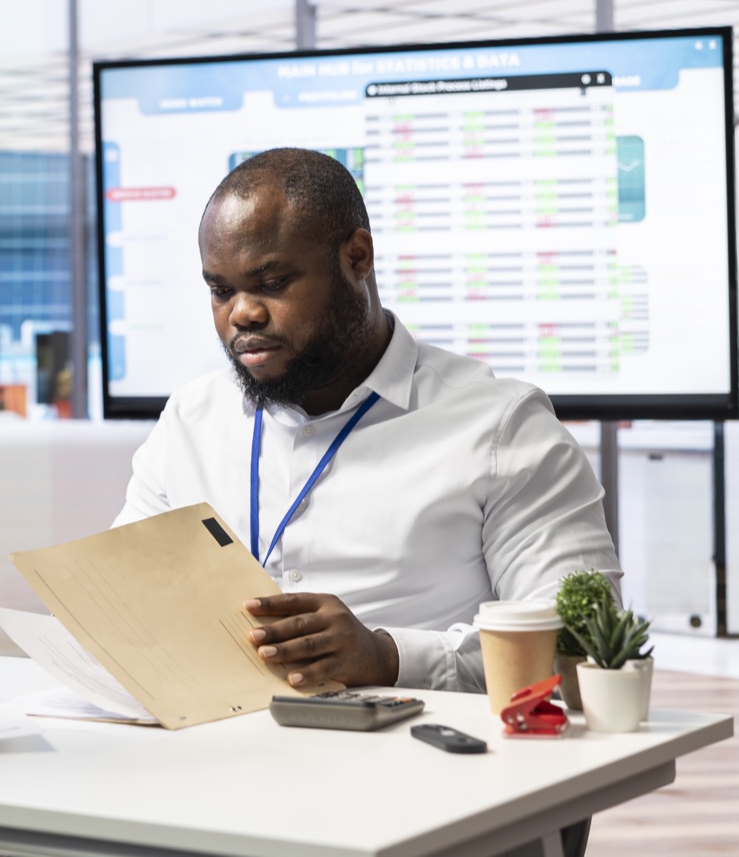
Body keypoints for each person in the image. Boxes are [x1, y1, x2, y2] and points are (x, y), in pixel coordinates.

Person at [114, 147, 622, 693]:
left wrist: (388, 656)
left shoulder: (502, 427)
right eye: (221, 290)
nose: (242, 314)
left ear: (357, 257)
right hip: (215, 754)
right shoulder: (190, 420)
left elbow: (582, 643)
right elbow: (124, 604)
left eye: (272, 282)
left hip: (426, 764)